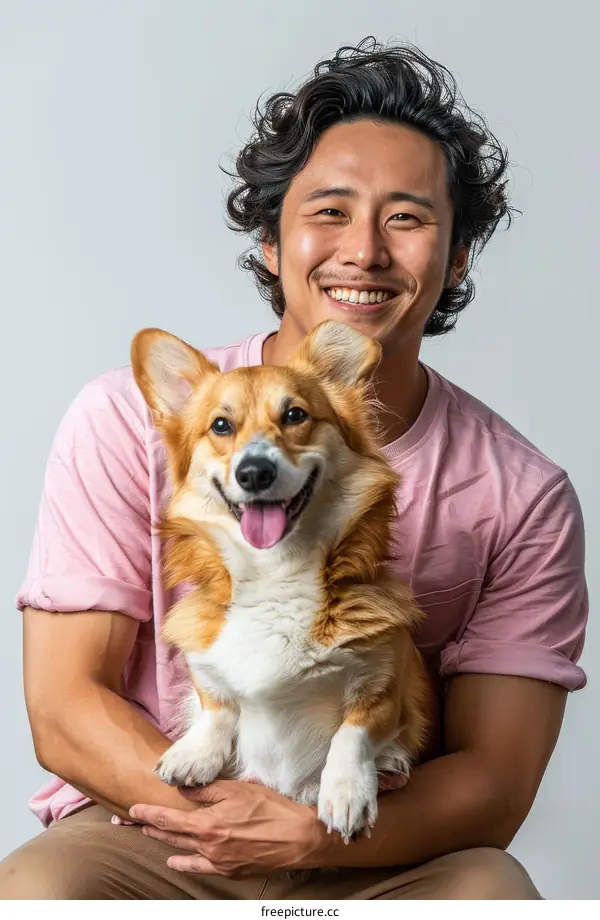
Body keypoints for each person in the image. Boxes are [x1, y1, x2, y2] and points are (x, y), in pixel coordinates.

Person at [0, 37, 587, 900]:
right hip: (156, 817)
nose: (364, 252)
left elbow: (496, 783)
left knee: (490, 894)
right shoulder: (126, 420)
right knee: (36, 892)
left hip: (380, 838)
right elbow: (64, 707)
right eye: (330, 211)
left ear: (457, 255)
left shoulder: (523, 494)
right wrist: (226, 825)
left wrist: (307, 834)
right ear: (270, 242)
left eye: (408, 218)